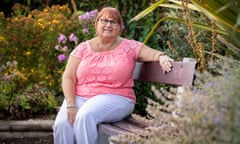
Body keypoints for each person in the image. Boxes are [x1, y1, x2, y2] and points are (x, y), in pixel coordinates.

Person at [53, 6, 173, 144]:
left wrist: (161, 56)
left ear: (120, 27)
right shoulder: (83, 48)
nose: (108, 25)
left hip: (117, 97)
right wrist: (70, 104)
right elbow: (68, 77)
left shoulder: (129, 47)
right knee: (63, 124)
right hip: (81, 97)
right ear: (96, 23)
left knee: (85, 116)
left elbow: (152, 53)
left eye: (113, 22)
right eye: (104, 20)